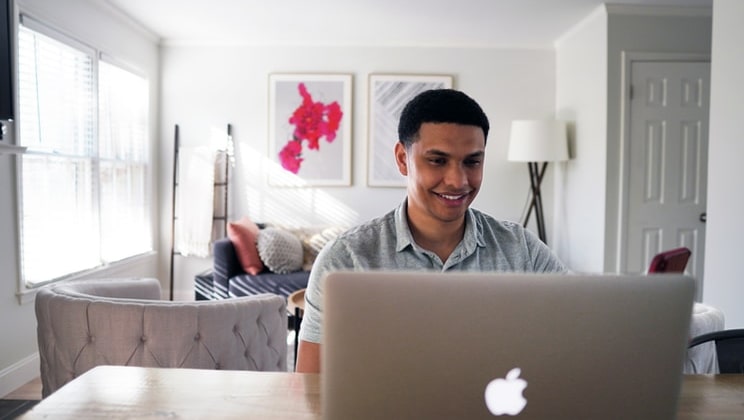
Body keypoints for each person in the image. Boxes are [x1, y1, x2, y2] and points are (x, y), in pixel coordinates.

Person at [295, 89, 567, 373]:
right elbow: (307, 388)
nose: (458, 181)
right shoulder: (345, 259)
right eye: (437, 161)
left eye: (472, 161)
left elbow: (577, 336)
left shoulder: (521, 250)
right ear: (402, 159)